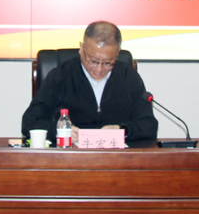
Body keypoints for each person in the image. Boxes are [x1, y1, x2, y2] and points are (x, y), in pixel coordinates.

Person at [22, 21, 157, 143]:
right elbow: (30, 122)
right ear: (81, 49)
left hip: (117, 157)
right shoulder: (61, 75)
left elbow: (149, 125)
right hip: (70, 156)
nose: (99, 69)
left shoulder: (128, 76)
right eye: (93, 61)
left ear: (117, 54)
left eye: (108, 63)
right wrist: (59, 131)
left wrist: (123, 130)